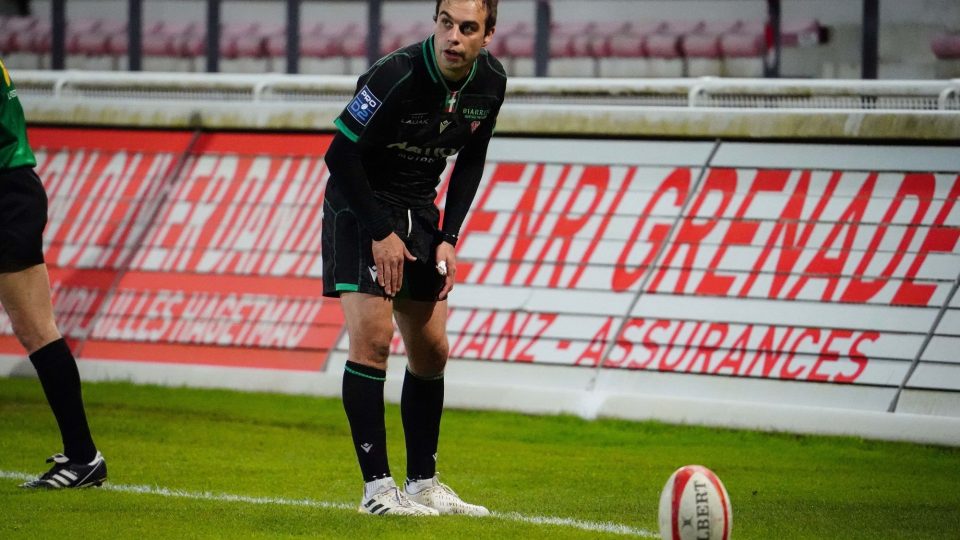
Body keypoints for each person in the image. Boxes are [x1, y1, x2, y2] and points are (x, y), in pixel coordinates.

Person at [322, 0, 505, 517]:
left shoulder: (491, 83)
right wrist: (380, 231)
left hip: (421, 210)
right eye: (445, 22)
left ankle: (423, 483)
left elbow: (472, 157)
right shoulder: (396, 73)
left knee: (431, 352)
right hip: (362, 205)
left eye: (467, 27)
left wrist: (449, 235)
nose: (452, 36)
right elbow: (339, 154)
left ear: (487, 35)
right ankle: (377, 490)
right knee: (374, 343)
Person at [0, 59, 107, 489]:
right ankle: (83, 455)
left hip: (8, 193)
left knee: (37, 329)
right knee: (36, 329)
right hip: (14, 190)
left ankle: (83, 457)